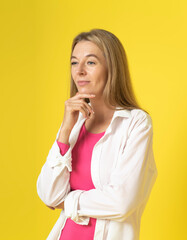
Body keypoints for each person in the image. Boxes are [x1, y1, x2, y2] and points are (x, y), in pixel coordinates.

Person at [36, 28, 158, 240]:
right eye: (74, 62)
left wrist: (68, 201)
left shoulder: (136, 123)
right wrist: (65, 130)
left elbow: (122, 202)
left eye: (90, 62)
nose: (79, 71)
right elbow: (48, 194)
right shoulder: (74, 123)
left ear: (112, 68)